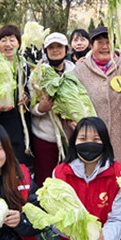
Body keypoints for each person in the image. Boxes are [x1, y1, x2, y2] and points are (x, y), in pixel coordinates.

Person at [74, 26, 121, 161]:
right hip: (97, 139)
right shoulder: (80, 70)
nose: (105, 46)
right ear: (91, 46)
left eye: (108, 42)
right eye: (100, 43)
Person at [0, 25, 33, 168]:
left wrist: (27, 97)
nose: (8, 44)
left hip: (20, 127)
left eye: (12, 40)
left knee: (19, 168)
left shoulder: (25, 67)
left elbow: (30, 90)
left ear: (18, 44)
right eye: (3, 40)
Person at [29, 33, 76, 187]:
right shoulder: (37, 74)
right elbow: (30, 106)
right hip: (45, 138)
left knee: (69, 182)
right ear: (45, 50)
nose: (55, 50)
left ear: (66, 49)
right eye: (51, 47)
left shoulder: (75, 71)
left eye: (59, 47)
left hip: (71, 138)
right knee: (46, 183)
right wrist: (40, 109)